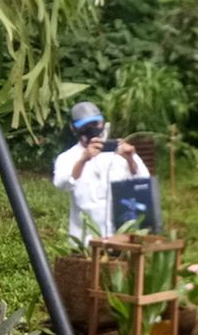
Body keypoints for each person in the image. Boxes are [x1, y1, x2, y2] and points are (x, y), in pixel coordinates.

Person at [53, 101, 149, 244]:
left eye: (95, 124)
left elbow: (143, 180)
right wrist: (83, 160)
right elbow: (61, 184)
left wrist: (130, 159)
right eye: (85, 127)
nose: (91, 130)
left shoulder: (119, 150)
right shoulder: (68, 157)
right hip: (85, 239)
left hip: (121, 236)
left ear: (103, 124)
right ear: (74, 129)